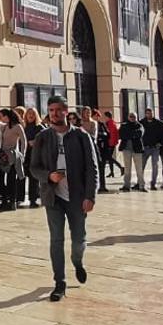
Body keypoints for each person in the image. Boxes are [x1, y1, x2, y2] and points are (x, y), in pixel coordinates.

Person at [29, 96, 99, 302]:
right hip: (53, 197)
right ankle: (60, 282)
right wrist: (48, 176)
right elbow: (34, 168)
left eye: (59, 110)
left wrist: (90, 196)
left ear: (66, 111)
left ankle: (77, 262)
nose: (54, 114)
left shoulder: (81, 136)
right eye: (51, 110)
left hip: (77, 197)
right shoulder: (43, 137)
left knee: (78, 239)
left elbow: (92, 168)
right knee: (56, 240)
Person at [0, 108, 27, 211]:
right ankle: (4, 201)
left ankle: (12, 202)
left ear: (8, 116)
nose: (1, 118)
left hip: (13, 155)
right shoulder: (4, 127)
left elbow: (24, 141)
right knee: (1, 179)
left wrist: (22, 155)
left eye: (2, 116)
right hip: (3, 156)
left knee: (11, 179)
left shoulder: (18, 126)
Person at [140, 108, 163, 190]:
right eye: (148, 113)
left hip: (155, 148)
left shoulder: (159, 123)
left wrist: (161, 143)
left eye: (151, 113)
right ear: (145, 114)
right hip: (145, 148)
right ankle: (141, 183)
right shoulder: (142, 123)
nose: (149, 115)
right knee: (141, 166)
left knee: (155, 166)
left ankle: (153, 183)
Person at [23, 107, 45, 206]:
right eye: (29, 114)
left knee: (34, 178)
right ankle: (21, 198)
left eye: (33, 113)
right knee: (23, 176)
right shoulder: (24, 127)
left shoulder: (39, 127)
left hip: (36, 155)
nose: (31, 115)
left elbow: (46, 139)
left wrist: (36, 142)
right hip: (25, 155)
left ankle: (33, 199)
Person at [119, 111, 146, 192]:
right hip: (126, 150)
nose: (132, 118)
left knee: (139, 169)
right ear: (128, 117)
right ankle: (126, 185)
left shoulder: (139, 125)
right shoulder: (124, 125)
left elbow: (140, 133)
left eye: (134, 116)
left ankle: (141, 185)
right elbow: (122, 135)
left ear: (136, 117)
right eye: (131, 116)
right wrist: (133, 135)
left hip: (137, 150)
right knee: (127, 169)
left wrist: (129, 134)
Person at [102, 111, 123, 178]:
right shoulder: (111, 122)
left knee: (108, 157)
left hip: (110, 143)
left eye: (104, 116)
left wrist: (110, 143)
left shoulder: (110, 123)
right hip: (111, 142)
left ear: (107, 117)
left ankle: (121, 167)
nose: (104, 118)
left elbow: (111, 134)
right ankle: (112, 172)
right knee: (109, 157)